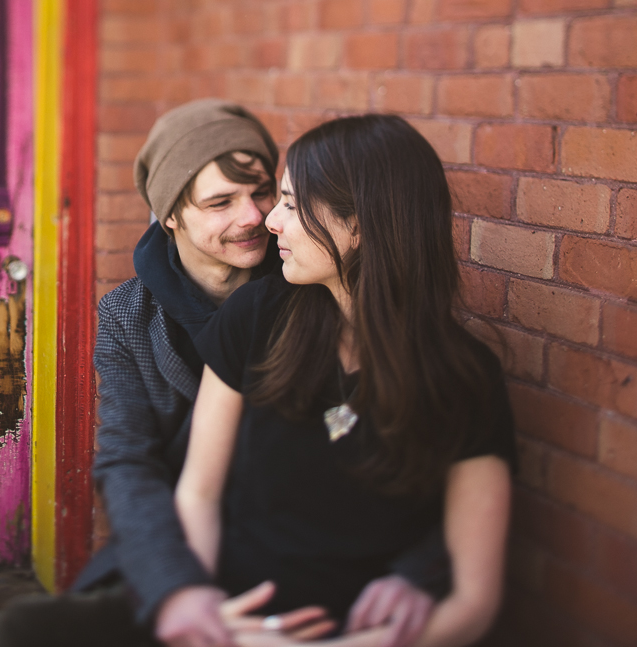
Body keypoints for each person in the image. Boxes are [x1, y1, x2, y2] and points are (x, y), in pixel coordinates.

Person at [0, 102, 447, 647]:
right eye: (221, 202)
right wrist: (178, 587)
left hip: (315, 551)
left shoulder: (313, 283)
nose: (253, 217)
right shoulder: (128, 316)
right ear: (172, 214)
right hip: (188, 545)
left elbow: (426, 447)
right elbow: (129, 459)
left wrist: (421, 570)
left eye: (264, 194)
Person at [176, 114, 517, 646]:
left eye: (291, 204)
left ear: (358, 225)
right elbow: (198, 491)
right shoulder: (257, 315)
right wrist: (212, 618)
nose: (271, 222)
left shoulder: (462, 375)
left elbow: (473, 602)